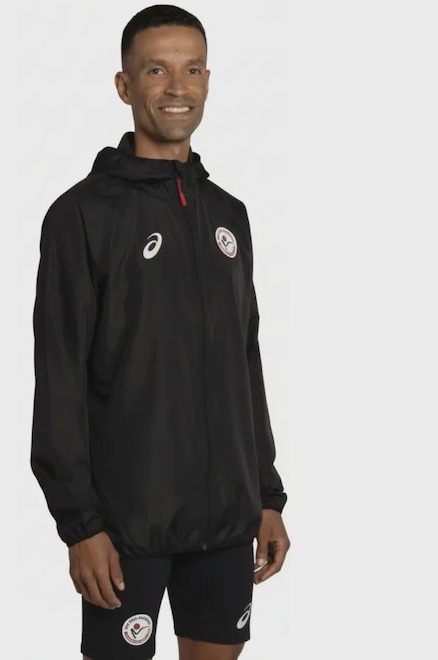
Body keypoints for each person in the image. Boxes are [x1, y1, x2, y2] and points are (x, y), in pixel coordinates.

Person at [30, 5, 291, 659]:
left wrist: (266, 494)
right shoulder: (81, 216)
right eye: (157, 70)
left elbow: (246, 361)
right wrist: (79, 525)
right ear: (125, 85)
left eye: (192, 69)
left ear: (208, 80)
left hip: (227, 521)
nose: (178, 87)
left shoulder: (228, 214)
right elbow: (59, 377)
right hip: (127, 527)